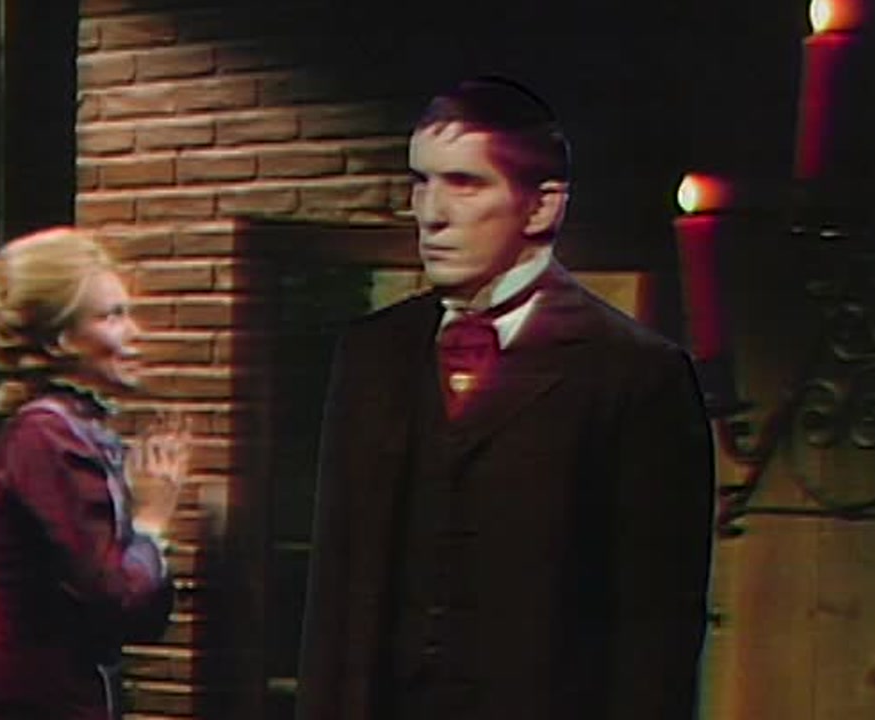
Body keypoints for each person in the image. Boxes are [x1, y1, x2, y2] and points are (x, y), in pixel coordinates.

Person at [295, 77, 715, 720]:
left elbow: (654, 638)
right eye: (421, 182)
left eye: (464, 183)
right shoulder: (371, 353)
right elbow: (334, 595)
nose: (431, 213)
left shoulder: (635, 375)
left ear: (541, 207)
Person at [0, 226, 186, 720]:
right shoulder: (46, 439)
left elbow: (139, 618)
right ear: (60, 338)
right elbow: (118, 599)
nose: (135, 333)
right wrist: (152, 522)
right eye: (112, 316)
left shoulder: (74, 432)